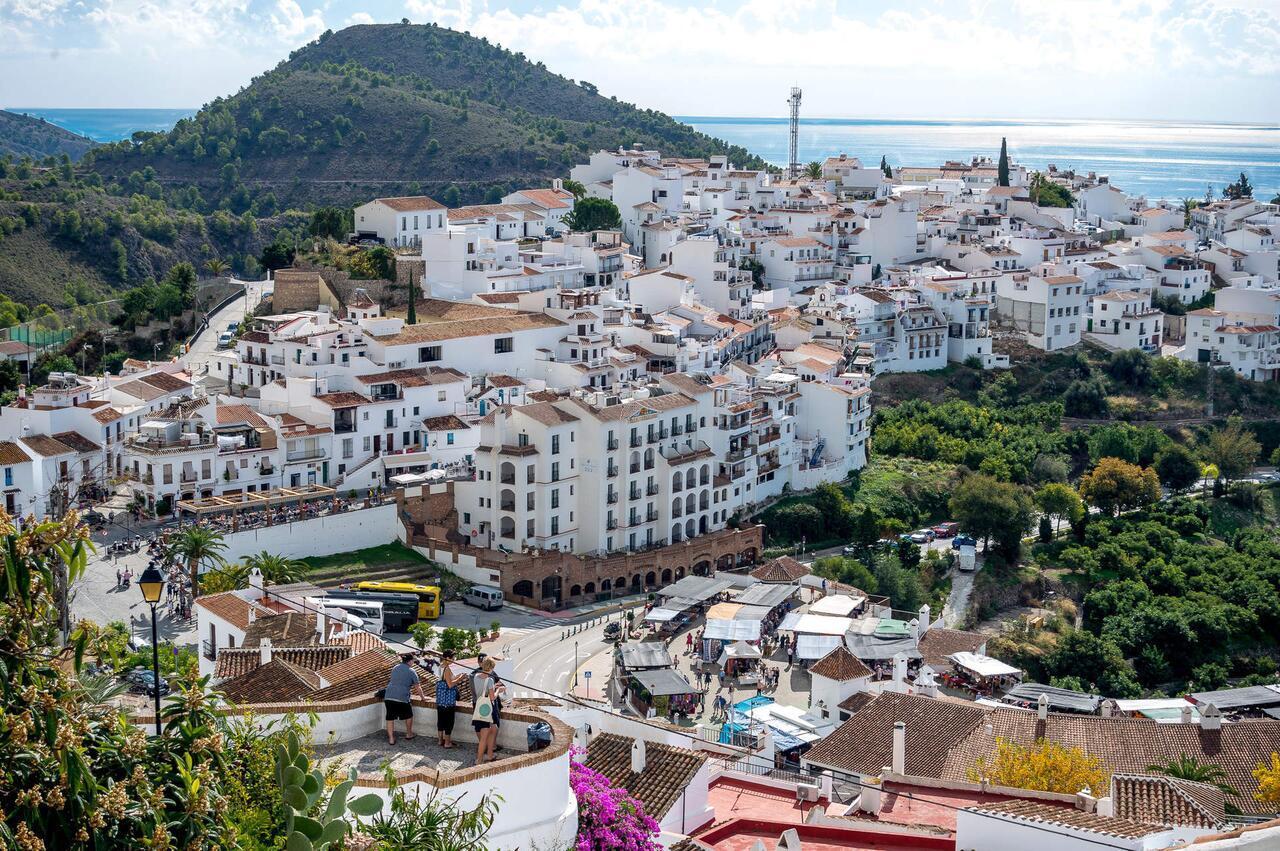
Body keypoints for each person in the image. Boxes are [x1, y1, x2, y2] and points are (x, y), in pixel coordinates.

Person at [384, 653, 427, 745]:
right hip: (402, 696)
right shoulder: (411, 671)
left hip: (389, 695)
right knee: (408, 715)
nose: (413, 662)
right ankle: (409, 734)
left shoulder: (395, 667)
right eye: (413, 661)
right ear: (410, 661)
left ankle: (391, 739)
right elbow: (417, 687)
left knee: (390, 717)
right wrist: (423, 698)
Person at [470, 657, 499, 763]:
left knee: (494, 728)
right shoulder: (490, 680)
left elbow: (481, 689)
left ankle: (490, 754)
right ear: (491, 668)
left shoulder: (476, 676)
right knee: (484, 736)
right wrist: (498, 690)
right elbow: (492, 697)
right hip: (487, 709)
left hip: (480, 706)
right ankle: (479, 759)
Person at [435, 650, 460, 749]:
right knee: (449, 722)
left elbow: (445, 680)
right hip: (448, 701)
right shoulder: (447, 668)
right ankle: (447, 743)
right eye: (453, 658)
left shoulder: (440, 667)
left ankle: (440, 740)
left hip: (440, 700)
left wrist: (456, 678)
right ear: (448, 658)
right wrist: (460, 679)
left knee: (440, 721)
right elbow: (450, 684)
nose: (453, 660)